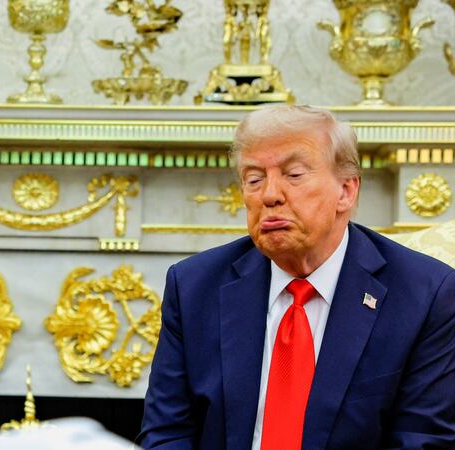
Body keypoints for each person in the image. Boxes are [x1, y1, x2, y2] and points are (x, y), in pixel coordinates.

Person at [137, 105, 455, 450]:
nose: (270, 195)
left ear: (346, 191)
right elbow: (166, 433)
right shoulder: (194, 286)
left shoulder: (425, 295)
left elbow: (423, 441)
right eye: (254, 179)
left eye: (294, 174)